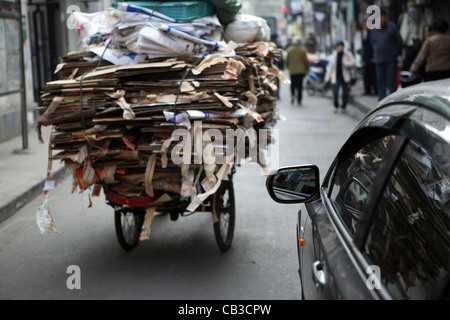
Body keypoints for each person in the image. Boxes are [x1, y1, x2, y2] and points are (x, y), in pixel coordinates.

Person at [370, 9, 403, 101]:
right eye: (380, 17)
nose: (382, 19)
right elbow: (373, 43)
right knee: (380, 81)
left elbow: (399, 42)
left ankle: (391, 100)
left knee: (391, 81)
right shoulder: (374, 30)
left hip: (390, 59)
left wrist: (395, 53)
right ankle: (382, 100)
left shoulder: (392, 27)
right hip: (379, 59)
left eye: (383, 17)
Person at [325, 41, 356, 113]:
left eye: (341, 46)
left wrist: (346, 64)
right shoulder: (334, 55)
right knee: (335, 92)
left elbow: (353, 62)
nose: (339, 48)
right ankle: (336, 106)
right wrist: (327, 78)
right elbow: (330, 67)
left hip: (345, 76)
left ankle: (343, 106)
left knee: (345, 93)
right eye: (338, 46)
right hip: (336, 77)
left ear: (343, 47)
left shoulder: (347, 54)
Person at [285, 37, 309, 106]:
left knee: (293, 84)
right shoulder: (303, 50)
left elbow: (286, 60)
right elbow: (306, 61)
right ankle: (299, 99)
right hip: (301, 71)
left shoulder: (289, 50)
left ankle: (292, 95)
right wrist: (306, 68)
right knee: (300, 85)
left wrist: (289, 67)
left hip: (292, 71)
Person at [362, 21, 377, 96]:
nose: (364, 27)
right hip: (367, 59)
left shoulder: (373, 34)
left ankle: (375, 90)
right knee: (367, 76)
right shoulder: (366, 34)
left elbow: (374, 46)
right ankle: (368, 91)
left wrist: (373, 57)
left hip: (371, 59)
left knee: (373, 76)